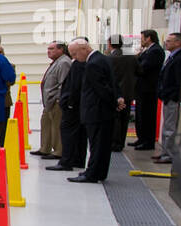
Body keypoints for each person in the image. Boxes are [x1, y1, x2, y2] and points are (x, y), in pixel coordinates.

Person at [67, 38, 126, 183]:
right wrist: (117, 99)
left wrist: (114, 103)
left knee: (97, 145)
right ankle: (96, 171)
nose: (74, 58)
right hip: (102, 111)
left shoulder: (93, 64)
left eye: (75, 54)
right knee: (101, 145)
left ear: (84, 49)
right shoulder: (102, 59)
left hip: (97, 112)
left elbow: (101, 89)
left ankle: (92, 174)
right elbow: (112, 83)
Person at [48, 38, 87, 172]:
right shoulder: (76, 63)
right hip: (73, 104)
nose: (73, 56)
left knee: (68, 132)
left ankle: (67, 160)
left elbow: (71, 85)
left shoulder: (72, 64)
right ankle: (76, 159)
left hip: (71, 105)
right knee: (77, 134)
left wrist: (66, 102)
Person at [31, 40, 71, 158]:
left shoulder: (64, 63)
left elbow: (64, 84)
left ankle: (58, 151)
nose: (48, 51)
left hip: (55, 101)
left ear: (61, 50)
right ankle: (45, 147)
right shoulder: (56, 62)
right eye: (48, 49)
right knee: (46, 124)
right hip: (49, 102)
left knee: (56, 126)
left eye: (52, 49)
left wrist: (57, 99)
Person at [153, 31, 181, 163]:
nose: (166, 43)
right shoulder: (172, 56)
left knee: (170, 128)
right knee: (166, 126)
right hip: (167, 97)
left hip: (172, 98)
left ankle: (169, 154)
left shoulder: (179, 58)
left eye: (169, 41)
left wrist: (171, 95)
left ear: (178, 42)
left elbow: (178, 81)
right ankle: (165, 151)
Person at [133, 28, 164, 150]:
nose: (141, 41)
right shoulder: (147, 51)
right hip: (143, 88)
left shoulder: (155, 51)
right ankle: (142, 138)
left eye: (142, 39)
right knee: (141, 115)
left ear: (148, 38)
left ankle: (147, 141)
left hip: (149, 89)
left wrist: (136, 62)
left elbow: (143, 67)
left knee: (147, 115)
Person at [107, 36, 136, 152]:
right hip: (128, 92)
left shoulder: (109, 58)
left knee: (115, 118)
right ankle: (121, 142)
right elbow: (140, 71)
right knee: (124, 118)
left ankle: (115, 142)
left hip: (115, 92)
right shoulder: (131, 57)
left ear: (110, 44)